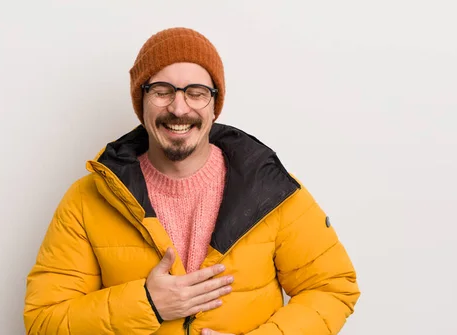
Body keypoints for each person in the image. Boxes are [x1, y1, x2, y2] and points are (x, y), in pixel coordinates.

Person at [23, 27, 360, 335]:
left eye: (196, 92)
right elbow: (43, 321)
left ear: (215, 104)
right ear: (141, 101)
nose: (179, 107)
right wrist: (146, 304)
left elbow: (332, 287)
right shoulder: (87, 198)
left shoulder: (272, 191)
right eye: (162, 90)